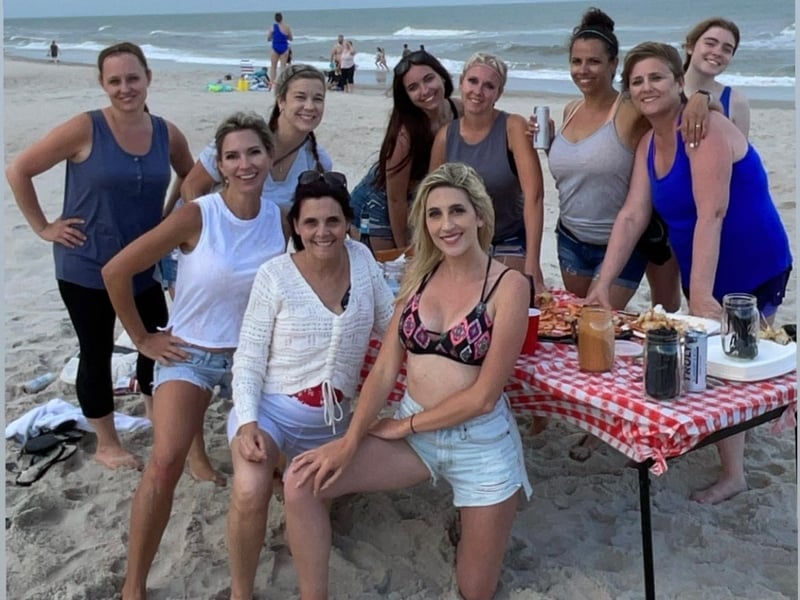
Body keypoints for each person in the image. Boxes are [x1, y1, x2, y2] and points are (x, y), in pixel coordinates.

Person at [285, 162, 532, 600]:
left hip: (479, 444)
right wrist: (350, 441)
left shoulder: (509, 286)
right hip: (416, 439)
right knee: (300, 482)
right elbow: (384, 370)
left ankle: (474, 521)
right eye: (434, 214)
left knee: (475, 590)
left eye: (457, 211)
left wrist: (404, 425)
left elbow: (483, 397)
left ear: (480, 215)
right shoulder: (419, 277)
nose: (446, 225)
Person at [587, 42, 792, 504]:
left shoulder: (704, 126)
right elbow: (632, 215)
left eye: (656, 77)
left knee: (731, 363)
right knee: (706, 355)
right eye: (637, 81)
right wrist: (603, 283)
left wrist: (700, 294)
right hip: (704, 262)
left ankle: (734, 474)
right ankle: (697, 440)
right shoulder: (647, 143)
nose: (647, 87)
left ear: (679, 82)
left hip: (751, 259)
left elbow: (712, 213)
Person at [102, 112, 287, 600]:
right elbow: (116, 271)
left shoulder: (282, 219)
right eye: (233, 156)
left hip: (254, 360)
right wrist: (143, 338)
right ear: (219, 165)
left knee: (281, 461)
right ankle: (134, 586)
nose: (245, 164)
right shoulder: (198, 214)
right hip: (190, 353)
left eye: (254, 152)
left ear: (270, 156)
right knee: (165, 462)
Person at [5, 41, 194, 470]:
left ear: (148, 78)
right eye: (115, 81)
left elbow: (190, 176)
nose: (125, 88)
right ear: (103, 84)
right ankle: (108, 442)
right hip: (85, 264)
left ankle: (156, 418)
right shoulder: (85, 127)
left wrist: (169, 221)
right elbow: (19, 170)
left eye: (133, 78)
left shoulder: (167, 133)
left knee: (155, 341)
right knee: (96, 350)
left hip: (142, 265)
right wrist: (44, 227)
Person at [225, 171, 394, 600]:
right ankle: (240, 592)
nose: (323, 232)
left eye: (333, 221)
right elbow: (249, 356)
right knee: (250, 489)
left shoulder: (362, 260)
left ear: (347, 222)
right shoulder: (275, 275)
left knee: (309, 508)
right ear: (296, 227)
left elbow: (391, 325)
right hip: (272, 408)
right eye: (311, 222)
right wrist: (247, 422)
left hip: (332, 421)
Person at [430, 52, 546, 292]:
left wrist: (533, 263)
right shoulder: (445, 137)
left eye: (489, 86)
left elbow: (534, 197)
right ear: (461, 83)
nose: (478, 91)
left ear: (498, 93)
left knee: (508, 298)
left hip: (508, 240)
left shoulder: (513, 127)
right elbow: (431, 200)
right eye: (472, 81)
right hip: (460, 239)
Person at [350, 50, 462, 250]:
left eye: (429, 79)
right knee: (390, 266)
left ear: (442, 77)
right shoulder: (404, 135)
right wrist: (404, 251)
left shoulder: (458, 110)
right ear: (407, 96)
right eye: (413, 87)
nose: (425, 90)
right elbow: (396, 199)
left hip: (419, 201)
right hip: (379, 204)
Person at [181, 64, 332, 213]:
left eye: (318, 99)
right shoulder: (240, 140)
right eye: (300, 97)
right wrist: (208, 225)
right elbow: (191, 188)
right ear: (281, 101)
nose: (310, 106)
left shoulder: (318, 161)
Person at [682, 17, 749, 137]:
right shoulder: (665, 90)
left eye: (727, 49)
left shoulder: (736, 102)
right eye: (710, 44)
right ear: (690, 47)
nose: (717, 53)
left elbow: (741, 148)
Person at [267, 12, 293, 89]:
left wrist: (273, 37)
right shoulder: (287, 27)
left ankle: (272, 83)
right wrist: (284, 37)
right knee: (283, 67)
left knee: (273, 67)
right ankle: (282, 82)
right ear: (282, 18)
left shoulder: (273, 27)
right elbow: (291, 38)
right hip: (284, 47)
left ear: (275, 19)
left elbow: (268, 38)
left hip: (275, 47)